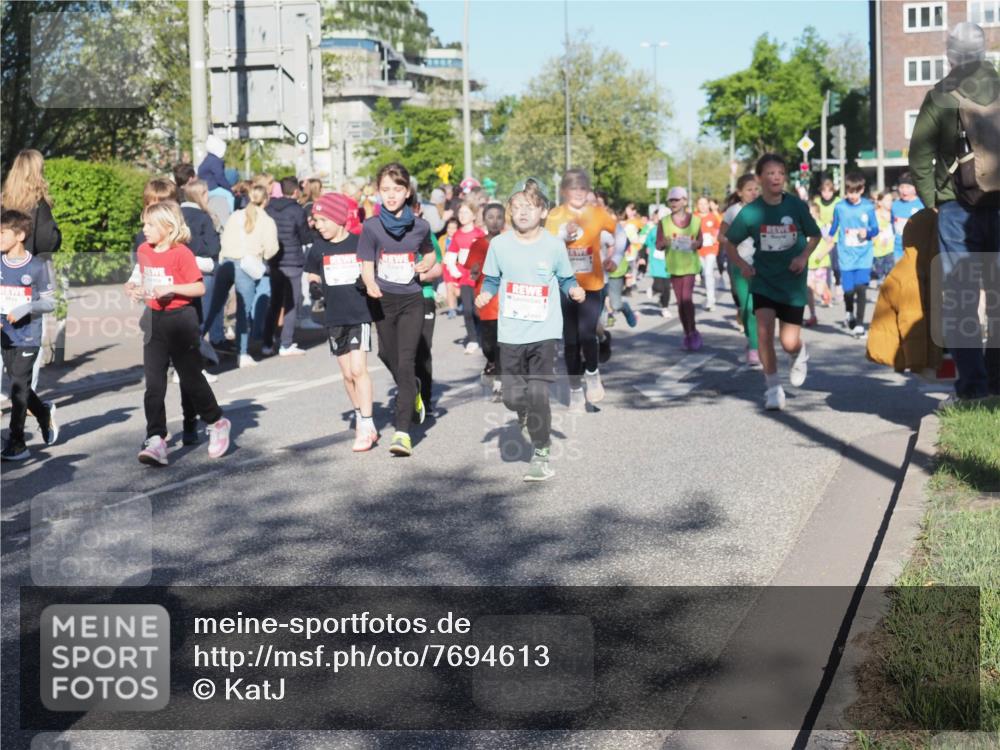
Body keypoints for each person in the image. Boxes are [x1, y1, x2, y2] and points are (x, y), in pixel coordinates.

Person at [909, 21, 1000, 400]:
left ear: (950, 55)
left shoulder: (941, 94)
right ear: (983, 52)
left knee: (962, 296)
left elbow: (920, 156)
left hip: (955, 208)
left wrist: (933, 199)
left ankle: (972, 386)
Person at [477, 179, 585, 482]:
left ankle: (541, 451)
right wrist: (486, 292)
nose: (522, 212)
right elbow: (491, 279)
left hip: (544, 331)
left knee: (538, 392)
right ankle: (522, 412)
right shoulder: (499, 245)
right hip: (510, 332)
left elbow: (565, 278)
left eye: (529, 206)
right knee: (512, 397)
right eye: (517, 207)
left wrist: (574, 289)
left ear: (543, 211)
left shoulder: (553, 245)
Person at [126, 201, 231, 465]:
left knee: (191, 378)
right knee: (154, 383)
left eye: (150, 225)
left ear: (168, 227)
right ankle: (156, 438)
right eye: (144, 224)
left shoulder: (181, 253)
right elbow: (139, 277)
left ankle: (217, 421)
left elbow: (199, 289)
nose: (144, 229)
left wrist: (171, 287)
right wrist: (133, 287)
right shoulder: (143, 250)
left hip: (181, 319)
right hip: (154, 320)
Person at [725, 154, 822, 411]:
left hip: (792, 282)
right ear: (760, 179)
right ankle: (773, 388)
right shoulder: (751, 212)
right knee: (765, 333)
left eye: (780, 173)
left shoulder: (796, 206)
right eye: (770, 173)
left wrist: (803, 257)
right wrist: (744, 266)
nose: (776, 177)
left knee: (788, 341)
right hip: (764, 280)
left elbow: (815, 235)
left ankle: (799, 353)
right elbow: (729, 242)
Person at [359, 162, 437, 457]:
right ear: (378, 192)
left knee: (405, 361)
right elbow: (366, 262)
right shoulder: (371, 226)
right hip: (381, 298)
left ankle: (402, 432)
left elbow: (429, 253)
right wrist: (369, 283)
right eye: (385, 190)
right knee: (385, 354)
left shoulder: (420, 225)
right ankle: (413, 388)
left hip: (411, 300)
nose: (391, 195)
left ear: (407, 192)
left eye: (397, 189)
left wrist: (425, 265)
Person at [545, 169, 625, 411]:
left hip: (592, 284)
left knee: (587, 334)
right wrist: (563, 237)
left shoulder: (597, 213)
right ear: (564, 191)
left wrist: (617, 256)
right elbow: (548, 248)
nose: (578, 193)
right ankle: (575, 390)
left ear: (588, 191)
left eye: (583, 188)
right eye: (573, 188)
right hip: (565, 287)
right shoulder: (555, 215)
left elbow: (619, 233)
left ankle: (592, 373)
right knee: (570, 342)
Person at [304, 193, 379, 452]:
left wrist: (366, 281)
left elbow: (373, 271)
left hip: (359, 314)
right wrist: (314, 286)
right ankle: (359, 413)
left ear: (339, 219)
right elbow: (313, 272)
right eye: (316, 220)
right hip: (334, 316)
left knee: (359, 370)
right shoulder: (318, 247)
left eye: (323, 219)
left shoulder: (359, 244)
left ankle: (367, 424)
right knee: (347, 374)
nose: (318, 225)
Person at [1, 149, 62, 397]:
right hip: (30, 278)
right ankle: (25, 397)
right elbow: (48, 242)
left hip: (4, 274)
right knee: (30, 337)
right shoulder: (39, 206)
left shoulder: (3, 200)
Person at [1, 209, 57, 461]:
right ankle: (43, 413)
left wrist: (26, 307)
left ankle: (18, 442)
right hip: (5, 335)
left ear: (20, 235)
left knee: (17, 387)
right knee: (18, 385)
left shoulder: (37, 267)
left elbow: (49, 303)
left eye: (2, 233)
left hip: (28, 336)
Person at [217, 185, 279, 367]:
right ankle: (242, 353)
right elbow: (271, 250)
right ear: (266, 199)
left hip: (227, 261)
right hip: (248, 265)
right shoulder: (267, 221)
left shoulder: (236, 215)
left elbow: (224, 238)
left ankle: (206, 342)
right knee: (243, 311)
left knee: (217, 307)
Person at [262, 176, 310, 356]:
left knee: (274, 302)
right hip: (293, 260)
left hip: (275, 260)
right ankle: (286, 343)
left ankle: (267, 342)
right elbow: (305, 237)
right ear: (296, 191)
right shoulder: (297, 210)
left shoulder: (270, 208)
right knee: (291, 302)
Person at [828, 172, 879, 337]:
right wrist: (828, 235)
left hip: (864, 255)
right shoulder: (840, 207)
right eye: (850, 192)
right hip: (846, 255)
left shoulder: (868, 207)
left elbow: (876, 228)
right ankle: (848, 311)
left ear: (862, 190)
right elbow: (834, 225)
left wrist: (868, 232)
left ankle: (859, 324)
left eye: (856, 192)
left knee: (861, 289)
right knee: (849, 290)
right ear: (846, 191)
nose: (853, 195)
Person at [463, 202, 506, 397]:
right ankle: (491, 362)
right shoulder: (478, 245)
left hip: (506, 302)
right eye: (490, 217)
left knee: (503, 344)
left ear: (504, 220)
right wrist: (474, 271)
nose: (495, 221)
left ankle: (500, 380)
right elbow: (472, 273)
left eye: (499, 217)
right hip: (486, 302)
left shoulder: (510, 242)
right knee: (488, 345)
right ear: (484, 221)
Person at [720, 174, 761, 365]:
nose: (753, 193)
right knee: (745, 307)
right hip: (739, 264)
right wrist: (733, 238)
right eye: (749, 190)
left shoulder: (765, 209)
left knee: (755, 308)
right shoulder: (733, 211)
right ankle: (750, 337)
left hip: (762, 264)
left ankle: (755, 347)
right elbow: (721, 236)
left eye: (756, 189)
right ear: (739, 192)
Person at [656, 187, 704, 350]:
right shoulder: (664, 222)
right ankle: (688, 332)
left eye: (677, 200)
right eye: (671, 200)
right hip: (674, 267)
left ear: (685, 200)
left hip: (690, 265)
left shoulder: (696, 221)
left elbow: (700, 241)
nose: (674, 203)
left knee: (686, 299)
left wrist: (695, 244)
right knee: (680, 303)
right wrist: (666, 242)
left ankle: (693, 331)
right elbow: (658, 245)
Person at [414, 202, 444, 416]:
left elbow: (438, 268)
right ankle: (408, 392)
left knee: (422, 349)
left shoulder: (426, 234)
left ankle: (425, 398)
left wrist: (415, 277)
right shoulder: (387, 236)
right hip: (396, 300)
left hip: (423, 297)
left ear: (418, 210)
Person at [445, 200, 486, 353]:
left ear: (474, 215)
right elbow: (450, 256)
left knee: (477, 310)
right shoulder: (457, 235)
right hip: (464, 278)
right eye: (460, 213)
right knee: (467, 310)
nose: (462, 216)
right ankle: (473, 339)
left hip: (479, 279)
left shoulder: (480, 234)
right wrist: (453, 271)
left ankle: (482, 334)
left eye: (466, 213)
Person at [804, 201, 832, 328]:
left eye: (812, 214)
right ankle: (813, 315)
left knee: (819, 289)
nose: (809, 216)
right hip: (808, 263)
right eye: (807, 214)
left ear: (817, 214)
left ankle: (825, 292)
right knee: (809, 289)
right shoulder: (802, 226)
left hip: (820, 262)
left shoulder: (821, 226)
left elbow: (830, 243)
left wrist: (822, 253)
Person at [813, 177, 842, 299]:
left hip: (835, 238)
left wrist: (832, 223)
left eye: (829, 191)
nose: (826, 194)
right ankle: (826, 291)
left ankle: (839, 285)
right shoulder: (817, 201)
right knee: (826, 266)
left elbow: (840, 217)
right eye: (824, 191)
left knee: (836, 265)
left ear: (833, 191)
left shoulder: (838, 201)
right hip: (822, 238)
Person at [694, 196, 723, 311]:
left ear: (708, 205)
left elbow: (719, 230)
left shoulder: (713, 217)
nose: (702, 206)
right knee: (703, 273)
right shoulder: (694, 217)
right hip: (698, 250)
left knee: (708, 272)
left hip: (711, 249)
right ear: (697, 205)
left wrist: (715, 237)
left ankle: (711, 300)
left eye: (705, 204)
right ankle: (709, 297)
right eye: (700, 204)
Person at [890, 173, 925, 262]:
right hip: (898, 249)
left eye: (908, 187)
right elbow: (892, 225)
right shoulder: (895, 205)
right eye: (902, 187)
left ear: (915, 188)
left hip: (915, 248)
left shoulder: (921, 205)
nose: (904, 190)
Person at [645, 206, 672, 318]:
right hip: (656, 263)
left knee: (667, 288)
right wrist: (644, 255)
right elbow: (646, 244)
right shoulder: (653, 231)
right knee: (659, 286)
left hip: (668, 264)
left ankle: (665, 308)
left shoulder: (673, 231)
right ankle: (653, 289)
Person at [872, 191, 897, 285]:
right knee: (879, 272)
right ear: (879, 202)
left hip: (890, 248)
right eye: (887, 200)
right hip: (877, 249)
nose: (890, 202)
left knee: (890, 272)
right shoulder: (874, 214)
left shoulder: (892, 214)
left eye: (891, 200)